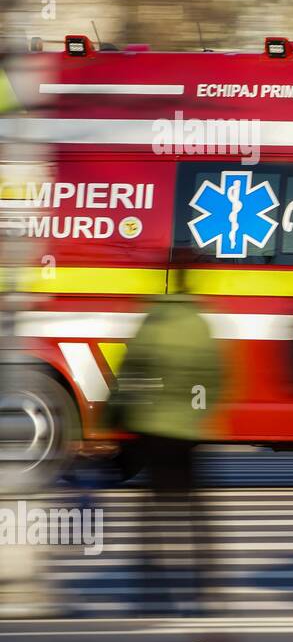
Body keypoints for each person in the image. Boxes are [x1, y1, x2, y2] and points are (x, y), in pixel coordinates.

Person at [110, 257, 224, 615]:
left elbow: (130, 373)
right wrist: (200, 413)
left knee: (152, 511)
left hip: (152, 426)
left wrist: (117, 415)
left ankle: (153, 592)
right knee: (194, 508)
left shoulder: (152, 321)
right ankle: (207, 586)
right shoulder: (198, 324)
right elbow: (216, 375)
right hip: (186, 429)